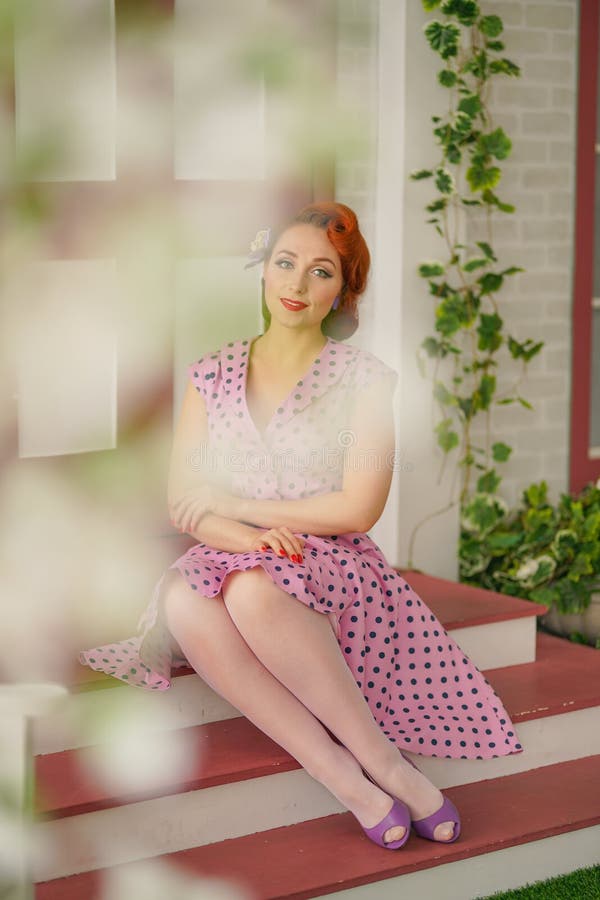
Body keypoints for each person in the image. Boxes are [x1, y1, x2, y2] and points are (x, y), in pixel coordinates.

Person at [80, 201, 523, 850]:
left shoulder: (364, 381)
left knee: (255, 588)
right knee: (184, 596)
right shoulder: (209, 374)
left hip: (334, 559)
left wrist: (244, 510)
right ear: (262, 271)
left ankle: (386, 761)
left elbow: (356, 509)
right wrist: (243, 536)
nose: (297, 284)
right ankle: (344, 776)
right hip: (233, 550)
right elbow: (185, 502)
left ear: (344, 290)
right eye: (285, 263)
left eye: (321, 272)